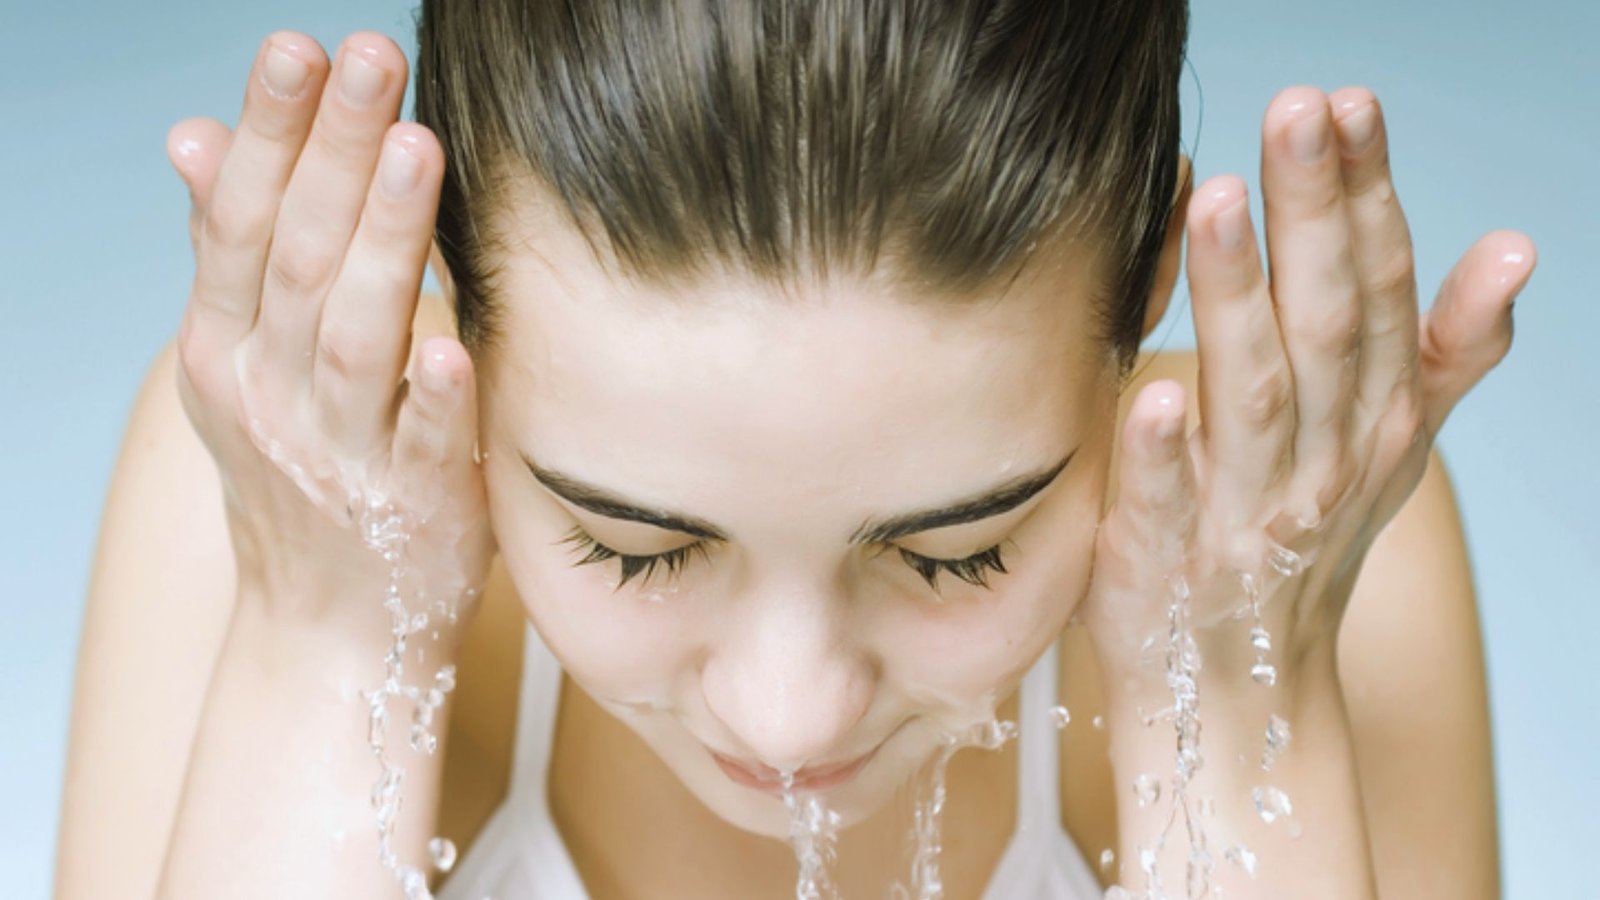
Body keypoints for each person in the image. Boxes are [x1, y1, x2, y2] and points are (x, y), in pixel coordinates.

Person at [55, 1, 1534, 897]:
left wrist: (1226, 676)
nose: (789, 716)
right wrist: (324, 638)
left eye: (960, 553)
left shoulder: (1290, 538)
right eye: (629, 547)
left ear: (1143, 296)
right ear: (464, 313)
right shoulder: (277, 490)